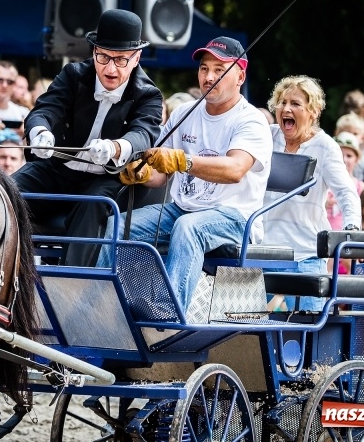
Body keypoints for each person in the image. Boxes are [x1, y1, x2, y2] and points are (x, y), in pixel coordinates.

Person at [97, 35, 272, 310]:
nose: (209, 76)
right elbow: (160, 175)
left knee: (188, 228)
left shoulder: (251, 120)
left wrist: (183, 161)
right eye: (204, 68)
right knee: (116, 225)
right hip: (182, 210)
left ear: (240, 77)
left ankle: (168, 311)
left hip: (237, 218)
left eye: (219, 69)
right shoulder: (183, 113)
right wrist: (140, 173)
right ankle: (102, 306)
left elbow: (235, 169)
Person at [15, 9, 163, 267]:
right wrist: (40, 132)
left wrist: (115, 148)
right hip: (58, 170)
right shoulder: (73, 75)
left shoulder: (148, 94)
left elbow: (143, 134)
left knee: (93, 203)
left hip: (106, 178)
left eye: (121, 60)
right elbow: (45, 110)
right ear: (94, 51)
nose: (110, 68)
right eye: (103, 56)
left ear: (136, 58)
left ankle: (72, 284)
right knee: (7, 191)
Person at [263, 75, 360, 311]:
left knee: (309, 326)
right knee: (241, 325)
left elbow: (346, 192)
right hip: (262, 250)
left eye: (295, 103)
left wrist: (352, 227)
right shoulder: (266, 136)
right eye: (282, 102)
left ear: (313, 111)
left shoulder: (325, 146)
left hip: (306, 254)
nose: (286, 108)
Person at [326, 132, 364, 231]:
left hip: (349, 237)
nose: (344, 159)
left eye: (349, 156)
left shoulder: (363, 188)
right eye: (340, 154)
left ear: (357, 160)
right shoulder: (322, 185)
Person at [335, 113, 364, 184]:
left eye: (355, 134)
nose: (350, 136)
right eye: (346, 132)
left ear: (362, 138)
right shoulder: (332, 156)